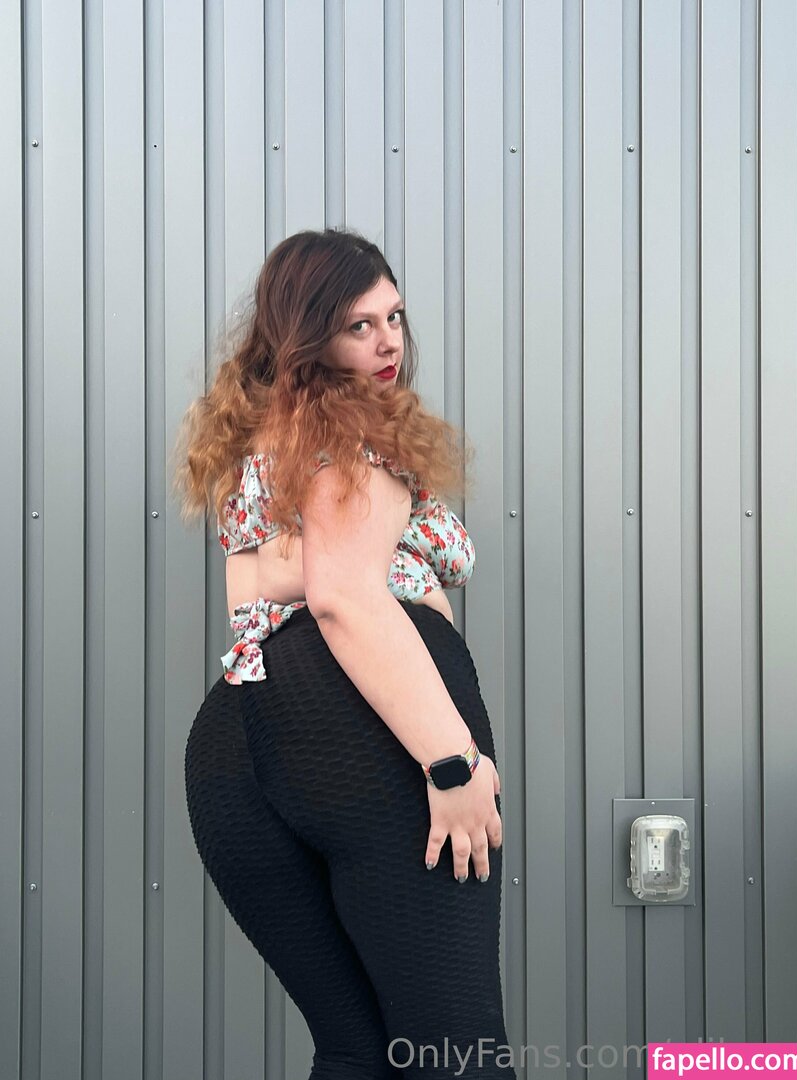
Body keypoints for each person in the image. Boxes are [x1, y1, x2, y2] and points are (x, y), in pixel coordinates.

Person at [173, 227, 517, 1079]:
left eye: (394, 317)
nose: (388, 341)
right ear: (308, 336)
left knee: (357, 1049)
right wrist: (451, 763)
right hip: (361, 730)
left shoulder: (259, 445)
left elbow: (253, 601)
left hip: (234, 741)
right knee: (455, 1054)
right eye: (359, 325)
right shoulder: (355, 431)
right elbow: (345, 597)